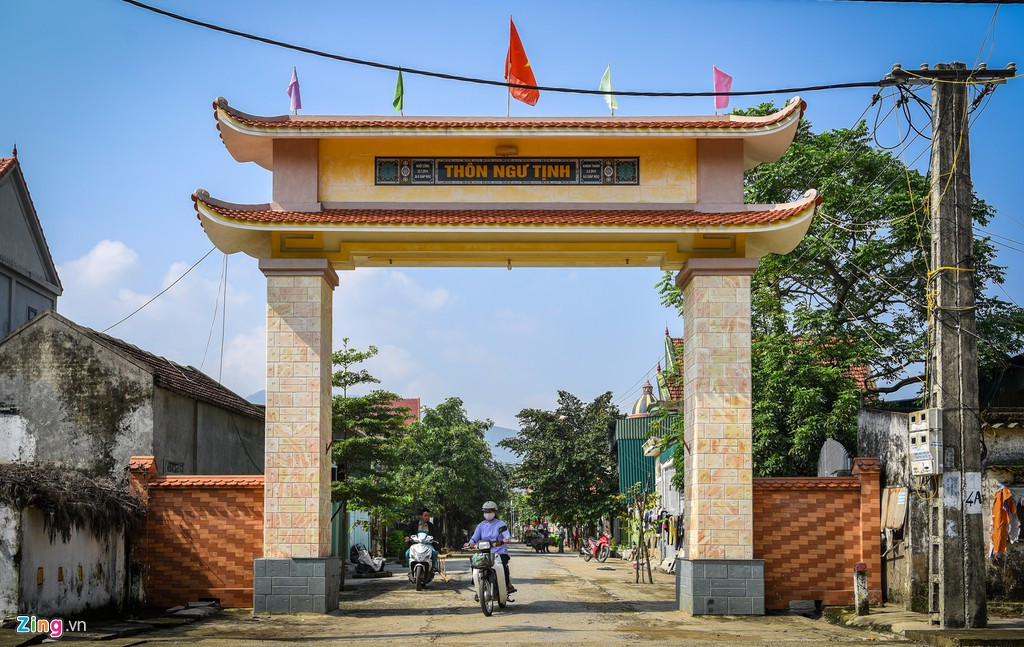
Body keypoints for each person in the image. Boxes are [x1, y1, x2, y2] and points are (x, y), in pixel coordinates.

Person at [468, 501, 516, 597]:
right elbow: (474, 537)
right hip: (485, 553)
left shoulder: (501, 524)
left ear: (495, 512)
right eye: (486, 511)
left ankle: (507, 584)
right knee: (475, 564)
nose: (488, 513)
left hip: (500, 552)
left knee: (503, 566)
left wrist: (506, 539)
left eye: (490, 511)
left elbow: (507, 535)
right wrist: (469, 543)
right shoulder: (481, 525)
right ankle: (478, 589)